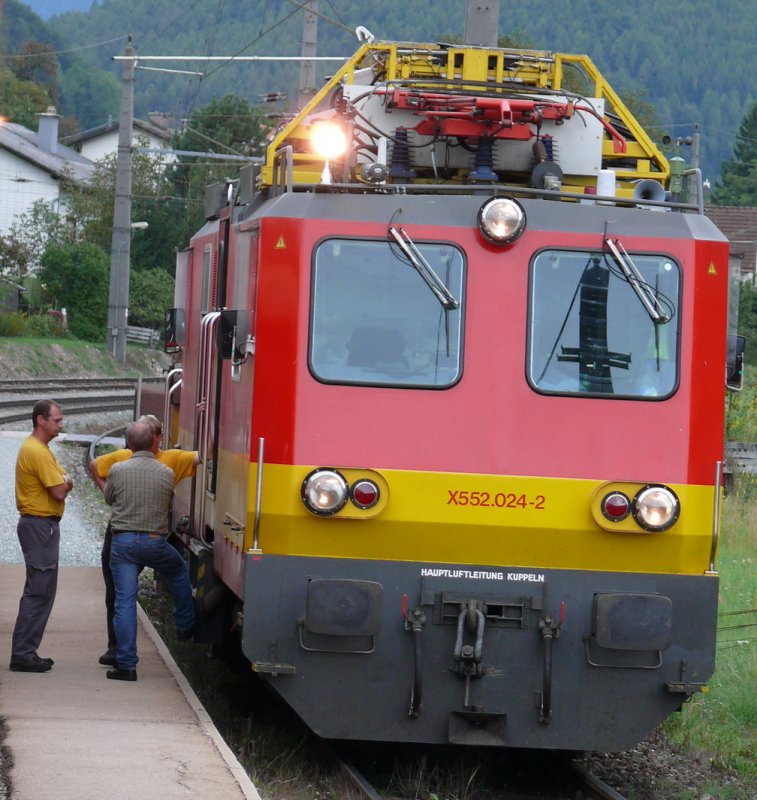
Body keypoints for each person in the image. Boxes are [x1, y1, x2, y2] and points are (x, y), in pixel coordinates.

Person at [89, 414, 199, 667]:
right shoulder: (168, 471)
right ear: (155, 442)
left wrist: (103, 484)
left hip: (123, 542)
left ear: (129, 443)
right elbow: (202, 458)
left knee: (124, 601)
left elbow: (108, 496)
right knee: (178, 570)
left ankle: (125, 663)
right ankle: (185, 622)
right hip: (154, 542)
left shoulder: (117, 466)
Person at [10, 400, 74, 673]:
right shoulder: (37, 451)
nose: (61, 424)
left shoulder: (39, 449)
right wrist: (68, 481)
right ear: (40, 420)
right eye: (56, 420)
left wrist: (63, 479)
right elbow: (59, 490)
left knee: (41, 590)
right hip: (39, 527)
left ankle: (26, 652)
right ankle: (23, 654)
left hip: (39, 526)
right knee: (39, 592)